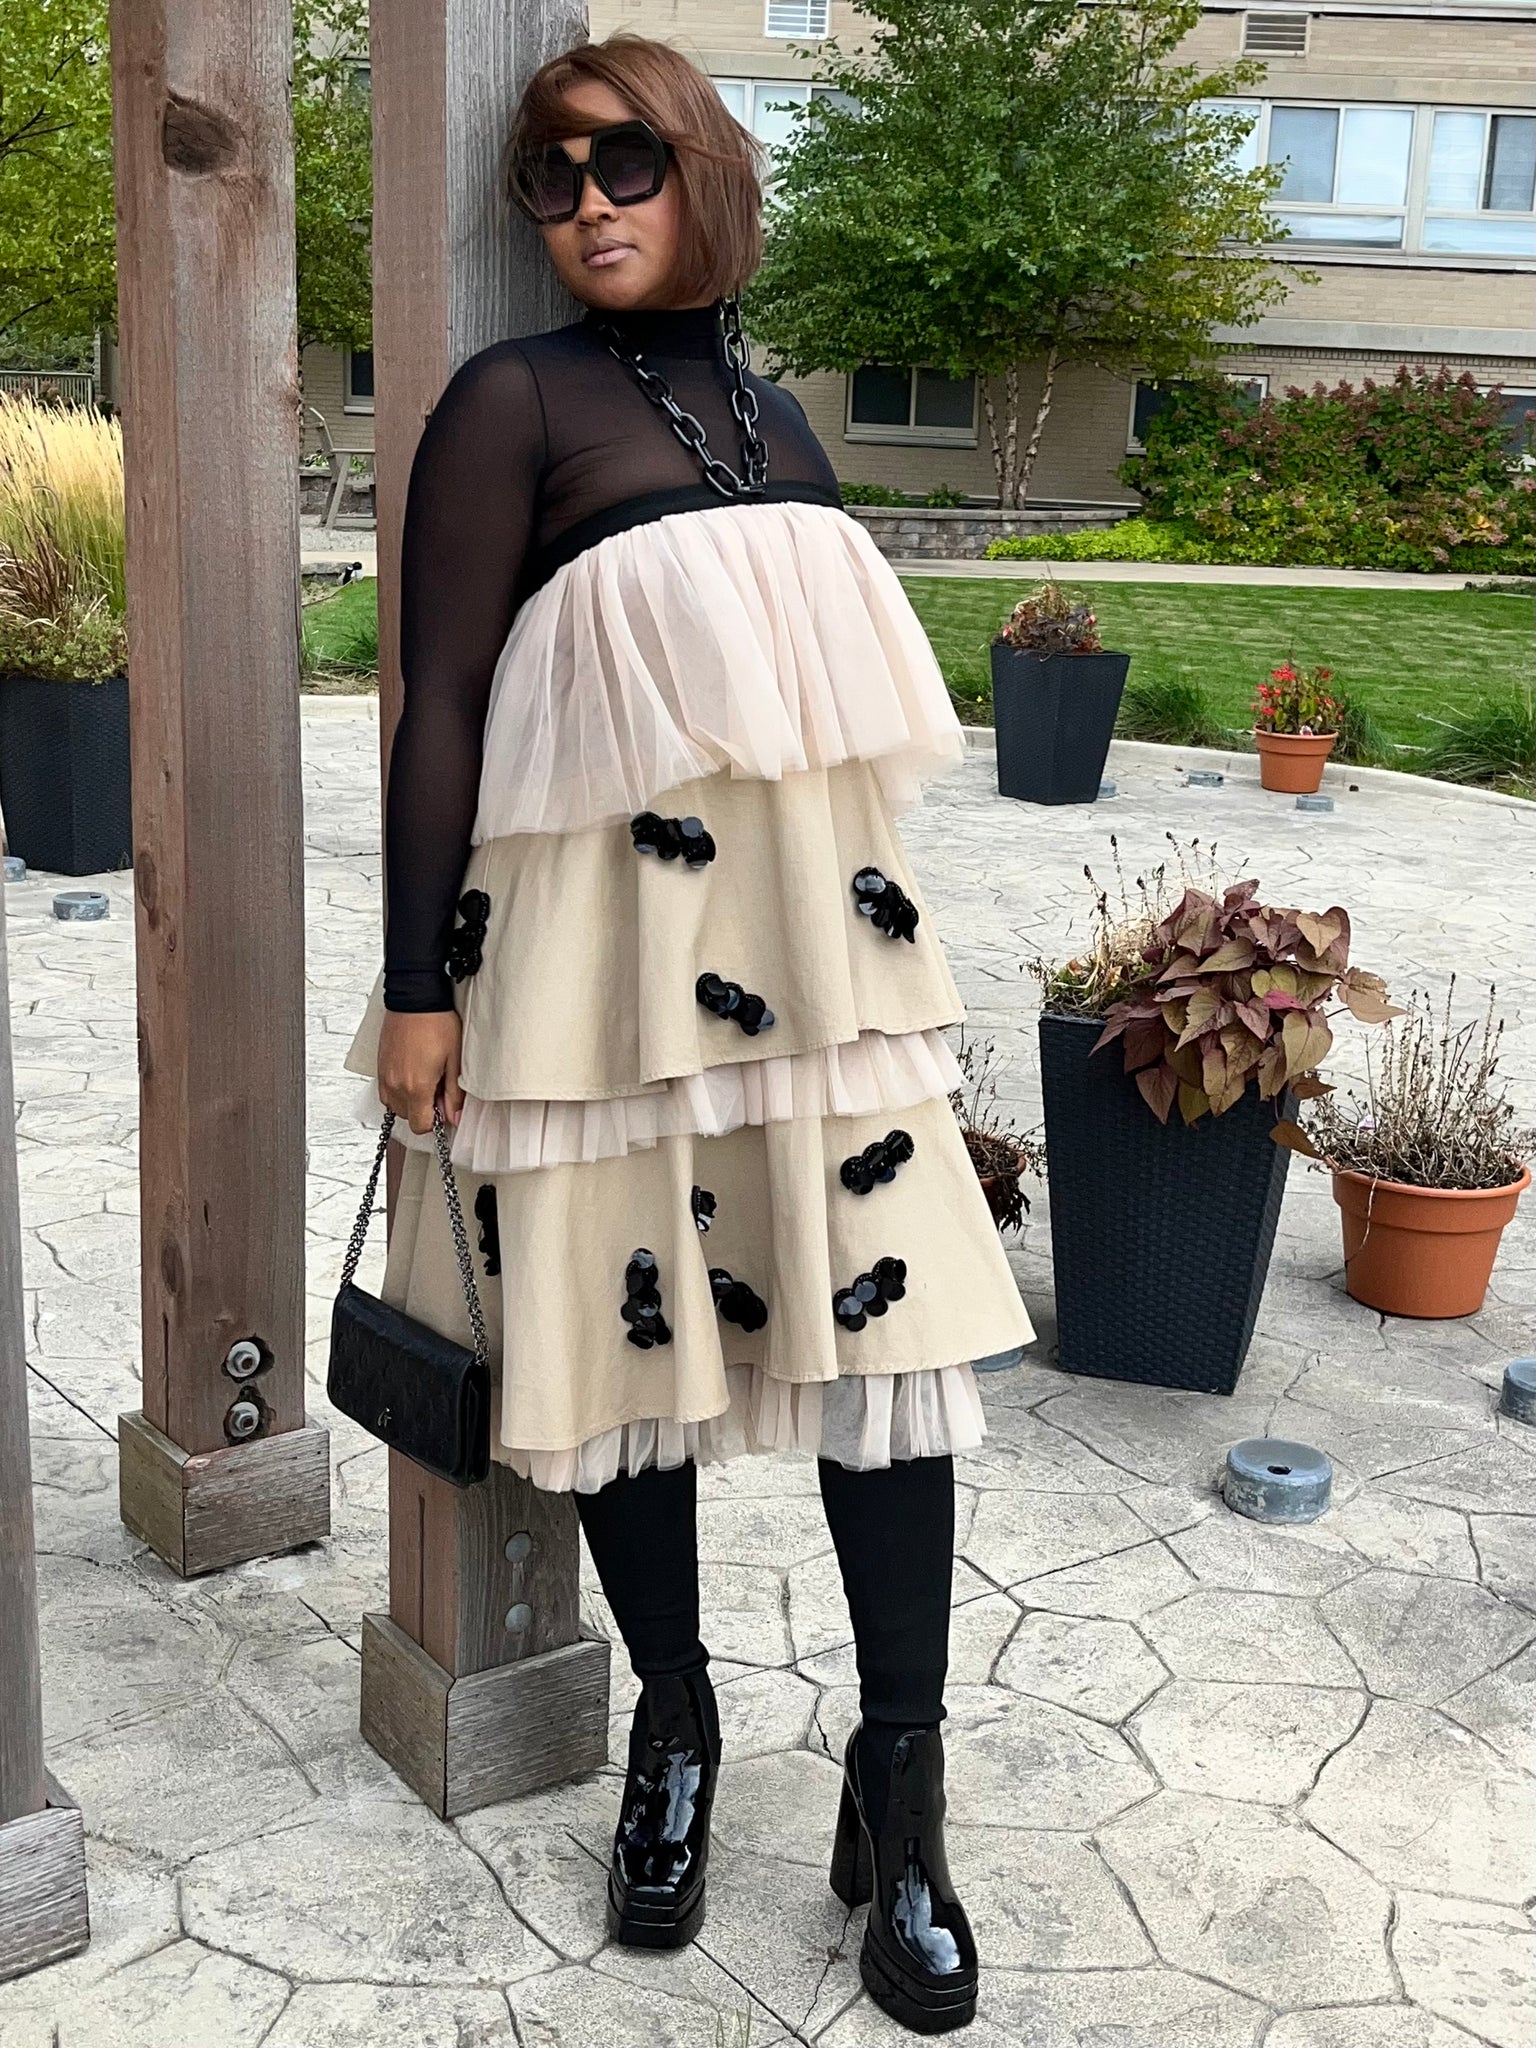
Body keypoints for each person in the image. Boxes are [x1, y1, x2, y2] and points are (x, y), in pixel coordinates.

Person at [344, 32, 1032, 2035]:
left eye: (622, 162)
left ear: (705, 167)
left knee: (887, 1353)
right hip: (590, 979)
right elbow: (441, 704)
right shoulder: (512, 403)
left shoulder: (777, 416)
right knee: (622, 1340)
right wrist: (415, 984)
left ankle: (902, 1791)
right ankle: (678, 1724)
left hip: (819, 984)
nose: (584, 206)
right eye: (549, 179)